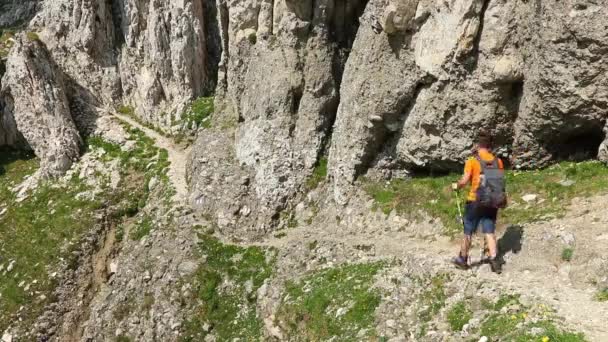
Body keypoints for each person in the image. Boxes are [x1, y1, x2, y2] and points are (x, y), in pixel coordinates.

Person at [451, 132, 506, 273]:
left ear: (478, 144)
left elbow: (464, 181)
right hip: (492, 201)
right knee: (489, 230)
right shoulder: (497, 161)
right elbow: (500, 182)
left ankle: (462, 259)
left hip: (475, 201)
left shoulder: (472, 160)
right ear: (489, 145)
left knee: (468, 230)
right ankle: (495, 260)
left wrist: (456, 185)